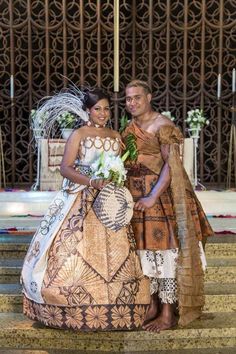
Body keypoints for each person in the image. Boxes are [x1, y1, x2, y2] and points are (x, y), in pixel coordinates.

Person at [21, 88, 150, 331]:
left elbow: (120, 164)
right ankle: (68, 306)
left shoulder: (115, 135)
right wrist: (91, 181)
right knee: (73, 251)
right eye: (97, 109)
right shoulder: (79, 134)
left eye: (106, 108)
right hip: (81, 197)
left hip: (109, 202)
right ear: (88, 111)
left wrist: (115, 176)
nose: (103, 113)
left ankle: (115, 306)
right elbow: (65, 168)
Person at [122, 80, 214, 332]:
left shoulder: (164, 126)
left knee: (165, 252)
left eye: (137, 98)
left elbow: (171, 166)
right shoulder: (130, 127)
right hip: (136, 198)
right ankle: (152, 306)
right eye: (128, 99)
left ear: (149, 97)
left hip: (161, 198)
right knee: (144, 251)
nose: (132, 103)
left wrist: (152, 196)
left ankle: (167, 313)